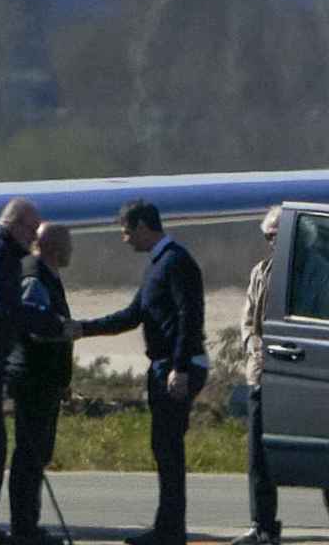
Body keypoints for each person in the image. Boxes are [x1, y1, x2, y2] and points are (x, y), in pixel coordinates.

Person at [76, 199, 208, 545]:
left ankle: (171, 531)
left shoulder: (177, 262)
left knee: (168, 447)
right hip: (163, 366)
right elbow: (133, 314)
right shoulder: (157, 266)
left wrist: (179, 367)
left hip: (177, 367)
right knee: (163, 448)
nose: (124, 239)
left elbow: (188, 317)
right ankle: (167, 527)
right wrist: (82, 329)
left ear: (143, 227)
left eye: (126, 231)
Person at [0, 197, 72, 545]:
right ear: (16, 225)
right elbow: (8, 308)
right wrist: (54, 325)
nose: (34, 238)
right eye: (31, 230)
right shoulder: (1, 254)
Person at [8, 223, 75, 545]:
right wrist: (66, 328)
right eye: (67, 244)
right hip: (33, 379)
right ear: (53, 247)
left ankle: (27, 524)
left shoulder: (47, 273)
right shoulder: (33, 274)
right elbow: (34, 322)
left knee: (37, 454)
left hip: (45, 380)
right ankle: (24, 527)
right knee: (30, 456)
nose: (72, 250)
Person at [232, 206, 283, 545]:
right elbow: (248, 318)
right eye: (268, 237)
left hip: (299, 372)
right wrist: (253, 342)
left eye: (276, 236)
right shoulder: (260, 272)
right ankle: (262, 525)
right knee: (259, 456)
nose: (271, 243)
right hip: (261, 372)